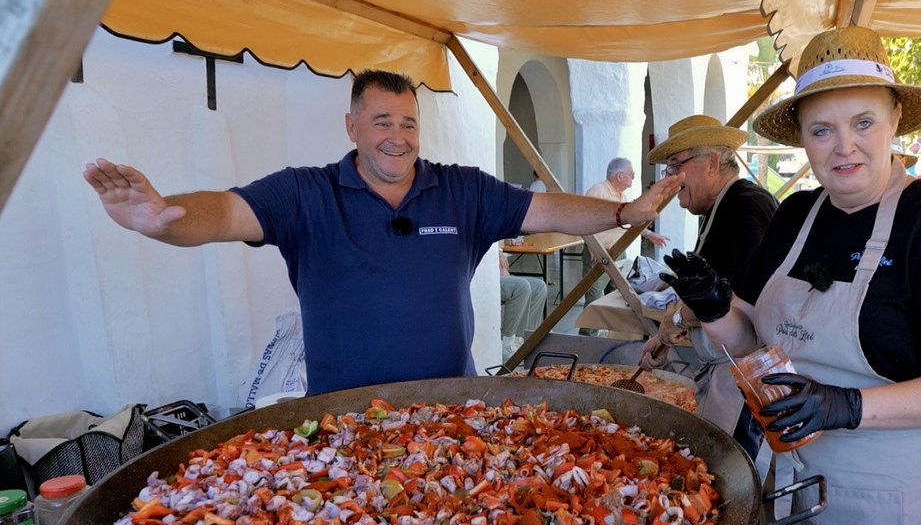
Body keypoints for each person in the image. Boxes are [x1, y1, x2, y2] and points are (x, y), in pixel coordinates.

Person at [661, 27, 921, 525]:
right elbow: (751, 345)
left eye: (863, 123)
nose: (843, 147)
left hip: (887, 500)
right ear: (801, 136)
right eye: (821, 130)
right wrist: (716, 307)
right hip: (793, 485)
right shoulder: (797, 214)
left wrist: (847, 406)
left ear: (896, 118)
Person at [83, 70, 682, 395]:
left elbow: (547, 210)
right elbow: (225, 210)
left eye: (407, 123)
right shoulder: (304, 193)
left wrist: (623, 215)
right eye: (381, 122)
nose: (397, 136)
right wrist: (163, 218)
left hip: (451, 408)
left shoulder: (462, 189)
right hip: (347, 420)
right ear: (351, 126)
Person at [637, 116, 777, 525]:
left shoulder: (745, 208)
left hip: (741, 376)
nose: (673, 181)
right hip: (723, 369)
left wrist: (675, 322)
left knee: (725, 487)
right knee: (717, 481)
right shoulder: (722, 208)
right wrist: (670, 327)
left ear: (712, 163)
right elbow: (702, 292)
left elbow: (733, 302)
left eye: (677, 168)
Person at [578, 158, 670, 335]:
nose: (634, 178)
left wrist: (650, 235)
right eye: (632, 174)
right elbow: (582, 219)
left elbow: (629, 218)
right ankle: (587, 338)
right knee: (595, 297)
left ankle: (611, 335)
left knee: (617, 294)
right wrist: (593, 247)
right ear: (620, 176)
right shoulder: (598, 191)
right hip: (599, 253)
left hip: (617, 252)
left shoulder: (621, 195)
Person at [499, 254, 547, 360]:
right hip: (483, 277)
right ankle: (506, 344)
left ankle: (524, 340)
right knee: (522, 287)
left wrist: (500, 252)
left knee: (539, 287)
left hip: (499, 273)